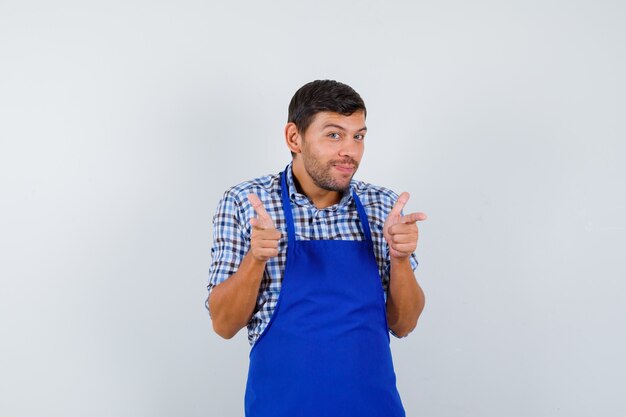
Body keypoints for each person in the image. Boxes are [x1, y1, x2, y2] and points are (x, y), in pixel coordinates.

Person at [205, 79, 427, 417]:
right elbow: (223, 324)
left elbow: (404, 324)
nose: (350, 151)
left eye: (359, 136)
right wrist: (256, 258)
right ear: (294, 137)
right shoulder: (246, 203)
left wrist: (400, 260)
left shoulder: (383, 206)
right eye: (334, 135)